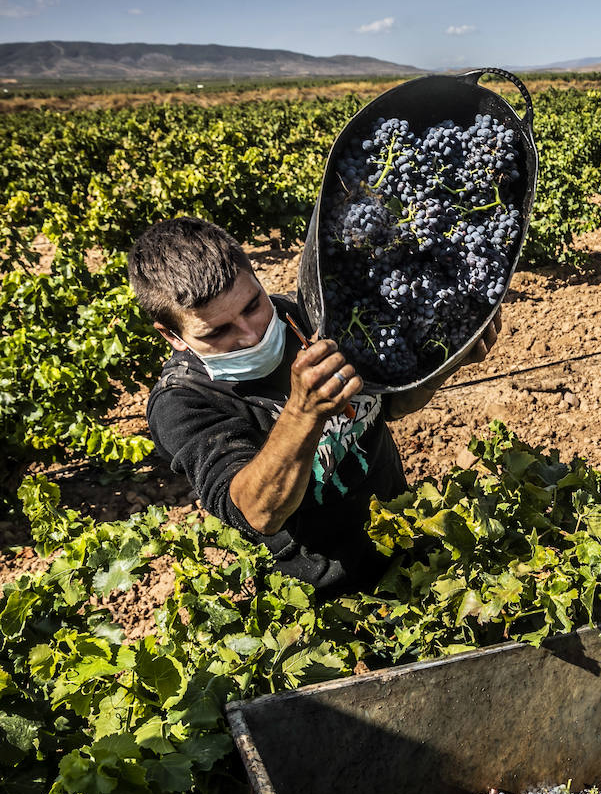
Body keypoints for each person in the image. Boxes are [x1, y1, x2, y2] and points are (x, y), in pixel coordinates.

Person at [129, 217, 499, 600]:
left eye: (253, 305)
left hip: (402, 540)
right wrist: (303, 412)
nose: (251, 333)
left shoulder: (310, 316)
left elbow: (390, 403)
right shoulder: (183, 401)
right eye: (218, 332)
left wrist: (447, 361)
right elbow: (259, 513)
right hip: (322, 602)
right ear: (172, 335)